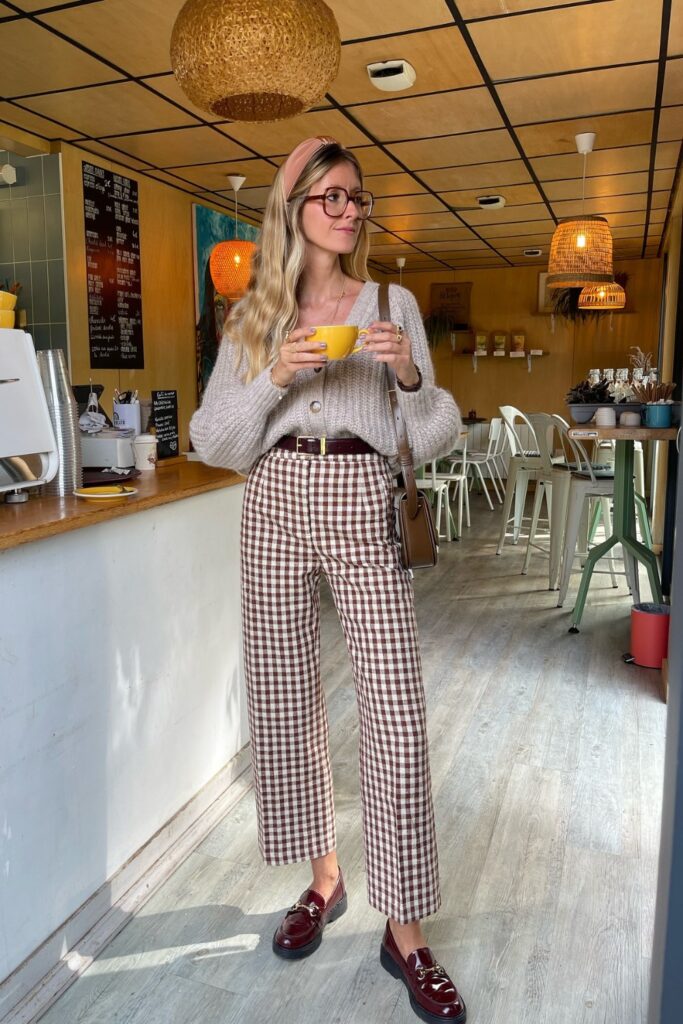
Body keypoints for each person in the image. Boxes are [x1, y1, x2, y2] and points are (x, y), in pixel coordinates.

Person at [190, 136, 466, 1023]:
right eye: (331, 197)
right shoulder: (250, 318)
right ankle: (324, 878)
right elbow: (216, 444)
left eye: (357, 197)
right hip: (273, 494)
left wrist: (407, 373)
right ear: (293, 207)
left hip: (359, 490)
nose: (349, 211)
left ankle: (407, 931)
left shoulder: (392, 302)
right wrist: (275, 374)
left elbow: (433, 433)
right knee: (284, 697)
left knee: (392, 705)